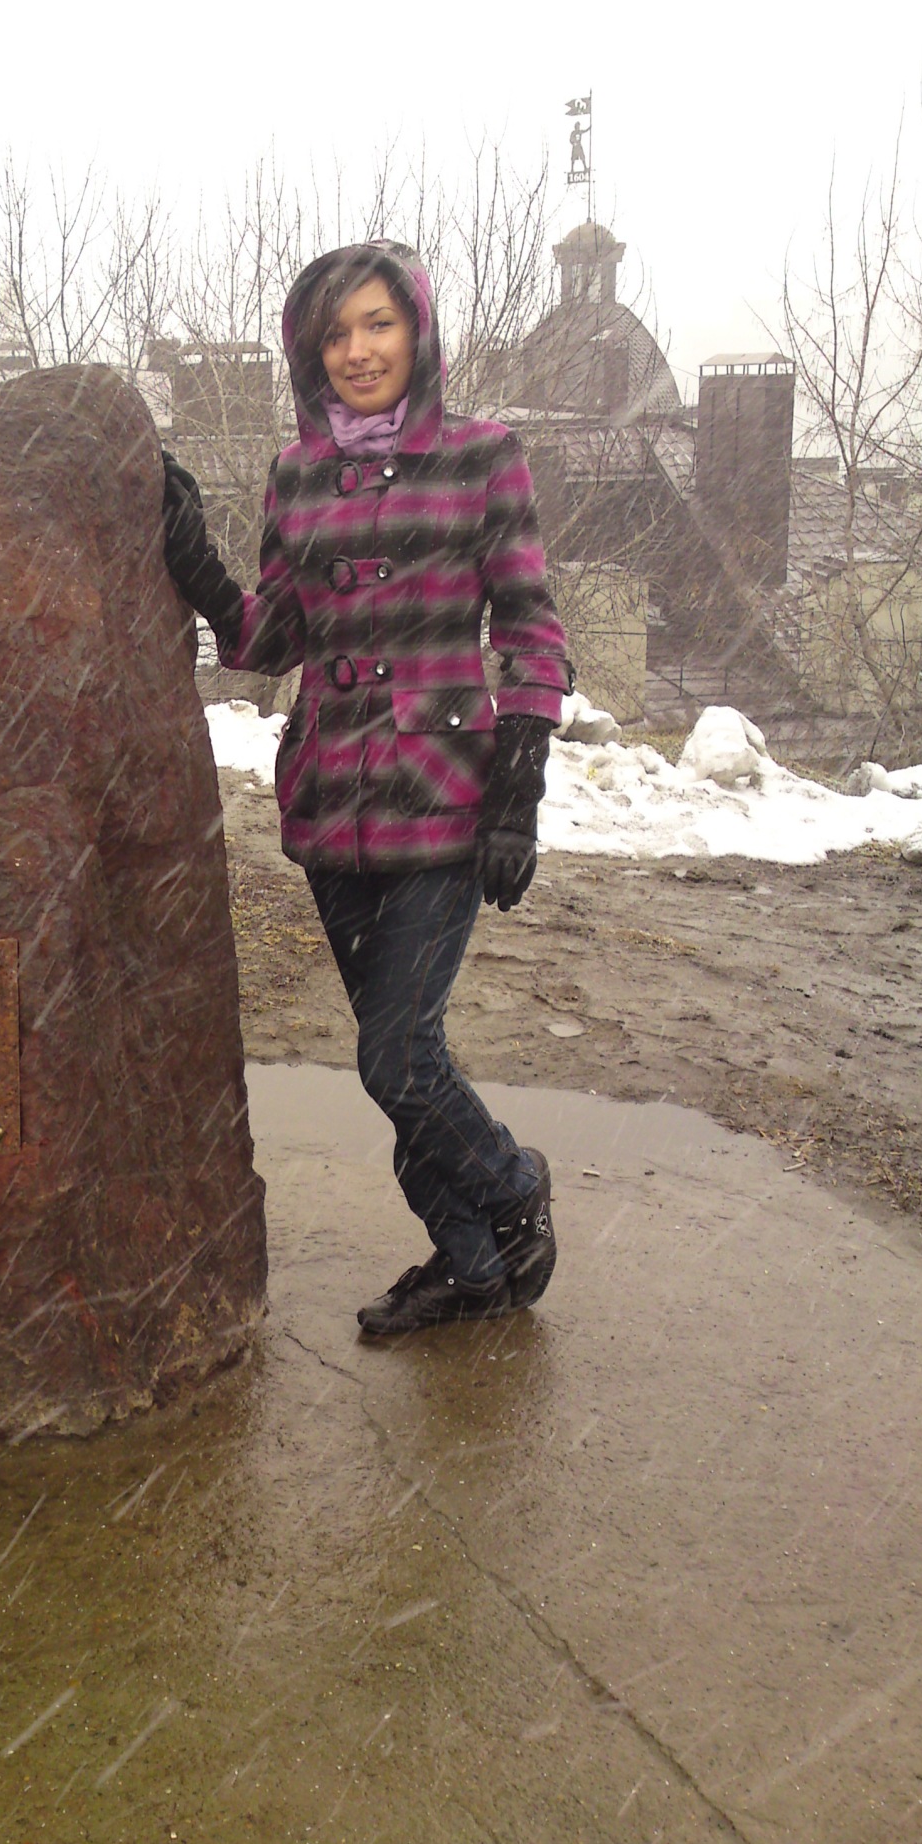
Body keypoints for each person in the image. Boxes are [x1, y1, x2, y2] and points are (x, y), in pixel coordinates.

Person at [160, 241, 571, 1336]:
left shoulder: (484, 457)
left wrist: (518, 789)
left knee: (396, 1055)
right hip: (332, 803)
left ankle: (512, 1187)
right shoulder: (297, 474)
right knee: (401, 1065)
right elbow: (273, 638)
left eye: (378, 323)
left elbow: (531, 629)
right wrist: (195, 562)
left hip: (443, 800)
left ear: (416, 331)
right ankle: (473, 1263)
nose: (357, 350)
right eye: (335, 333)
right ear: (311, 352)